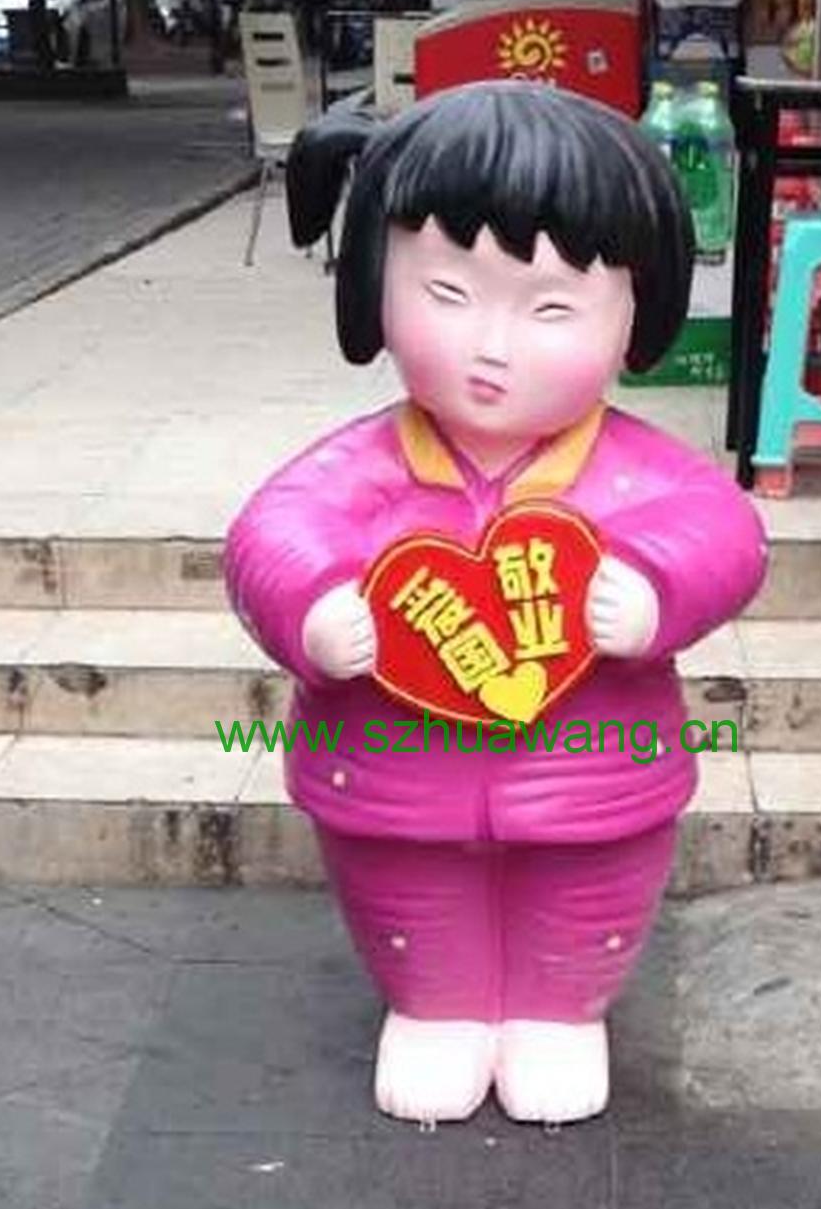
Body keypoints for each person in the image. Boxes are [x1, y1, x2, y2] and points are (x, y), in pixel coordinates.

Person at [224, 80, 767, 1126]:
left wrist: (653, 585)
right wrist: (315, 605)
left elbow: (723, 532)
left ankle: (561, 1009)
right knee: (409, 900)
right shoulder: (364, 465)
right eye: (448, 293)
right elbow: (272, 531)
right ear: (375, 284)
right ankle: (436, 1007)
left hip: (591, 775)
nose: (493, 346)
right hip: (391, 773)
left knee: (586, 899)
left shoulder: (636, 471)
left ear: (635, 311)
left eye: (551, 308)